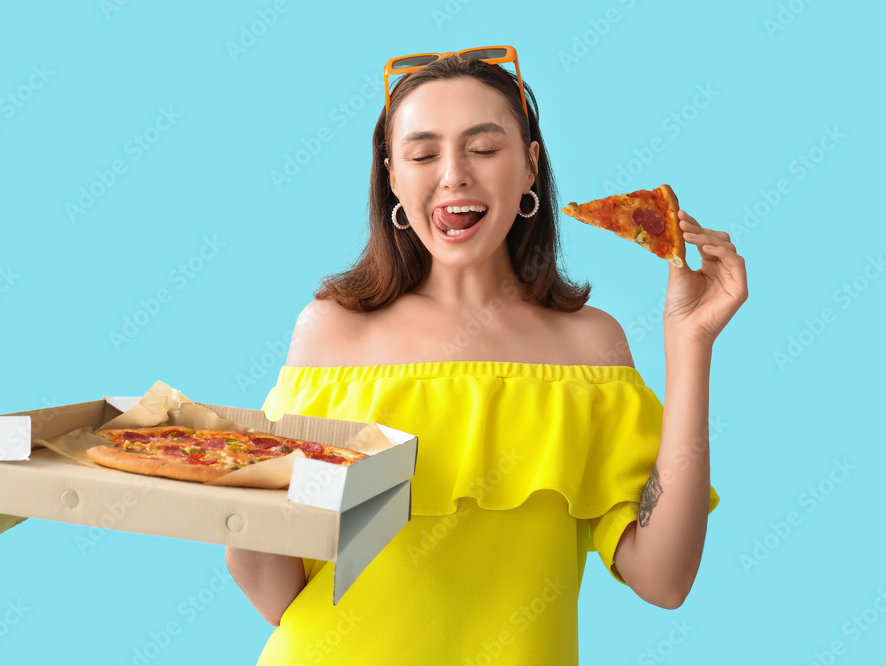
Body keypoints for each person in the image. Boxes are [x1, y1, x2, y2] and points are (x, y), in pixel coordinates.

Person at [227, 46, 748, 665]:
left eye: (483, 147)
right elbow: (275, 591)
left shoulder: (590, 347)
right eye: (423, 154)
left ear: (530, 166)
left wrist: (689, 346)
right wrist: (233, 502)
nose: (454, 175)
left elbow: (664, 579)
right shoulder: (329, 334)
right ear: (392, 175)